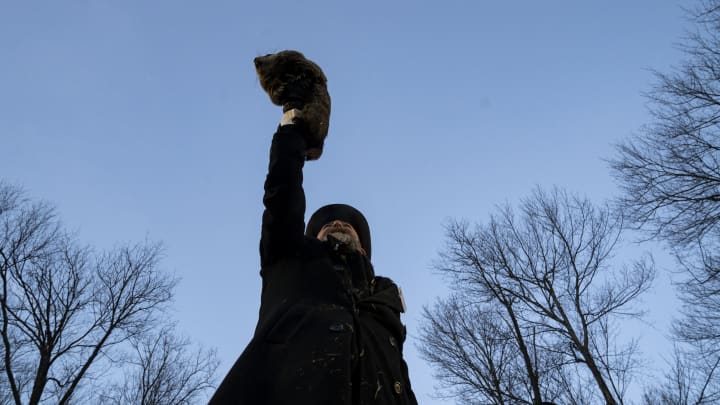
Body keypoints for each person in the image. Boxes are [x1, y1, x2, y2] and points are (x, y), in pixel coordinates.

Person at [209, 110, 417, 404]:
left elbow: (402, 386)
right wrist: (292, 130)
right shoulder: (291, 261)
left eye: (348, 225)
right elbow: (283, 198)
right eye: (326, 225)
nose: (338, 224)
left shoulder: (386, 309)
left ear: (364, 250)